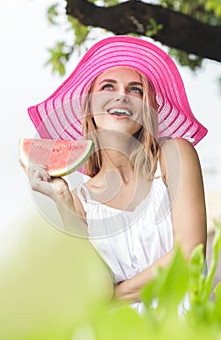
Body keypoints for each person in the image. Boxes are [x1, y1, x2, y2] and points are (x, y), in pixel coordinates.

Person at [22, 36, 208, 312]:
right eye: (108, 87)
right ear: (89, 107)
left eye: (135, 90)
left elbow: (191, 253)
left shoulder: (174, 155)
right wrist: (61, 198)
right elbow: (90, 290)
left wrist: (115, 298)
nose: (121, 95)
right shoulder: (78, 202)